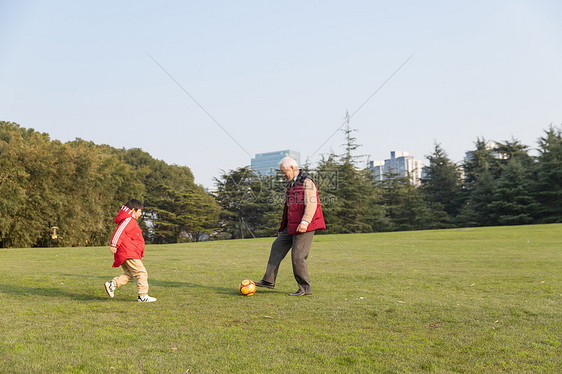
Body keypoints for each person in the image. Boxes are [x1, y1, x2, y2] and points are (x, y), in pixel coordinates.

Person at [255, 157, 326, 296]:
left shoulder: (307, 181)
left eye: (284, 171)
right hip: (291, 226)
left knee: (298, 257)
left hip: (304, 226)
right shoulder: (292, 184)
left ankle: (305, 288)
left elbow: (312, 204)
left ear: (292, 167)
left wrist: (305, 222)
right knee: (277, 246)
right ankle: (268, 280)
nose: (283, 174)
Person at [104, 199, 156, 302]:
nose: (140, 214)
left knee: (131, 274)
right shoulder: (128, 220)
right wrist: (114, 244)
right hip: (128, 252)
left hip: (128, 252)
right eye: (139, 211)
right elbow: (119, 231)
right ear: (133, 210)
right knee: (142, 273)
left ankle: (112, 284)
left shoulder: (130, 220)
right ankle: (143, 296)